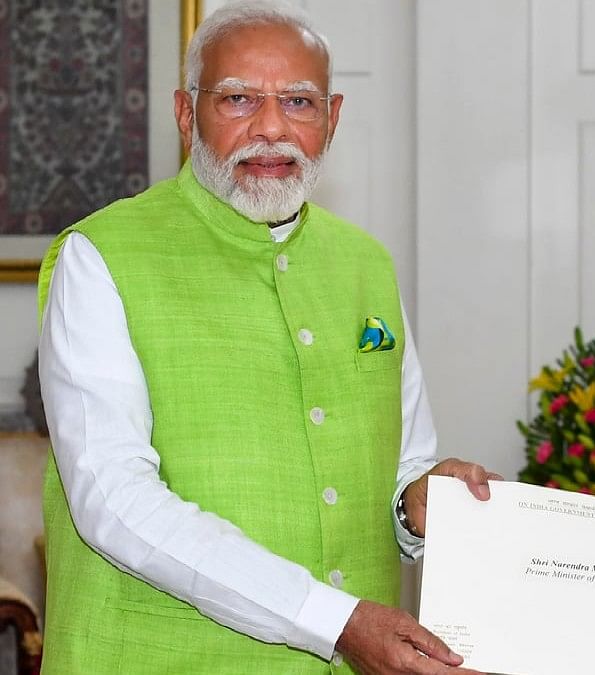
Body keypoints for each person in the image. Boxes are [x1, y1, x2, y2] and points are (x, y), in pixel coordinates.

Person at [36, 2, 493, 672]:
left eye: (300, 102)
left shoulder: (366, 262)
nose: (272, 128)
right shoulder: (101, 256)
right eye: (240, 99)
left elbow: (402, 463)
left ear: (332, 119)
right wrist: (333, 621)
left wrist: (418, 505)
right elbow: (113, 498)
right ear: (187, 114)